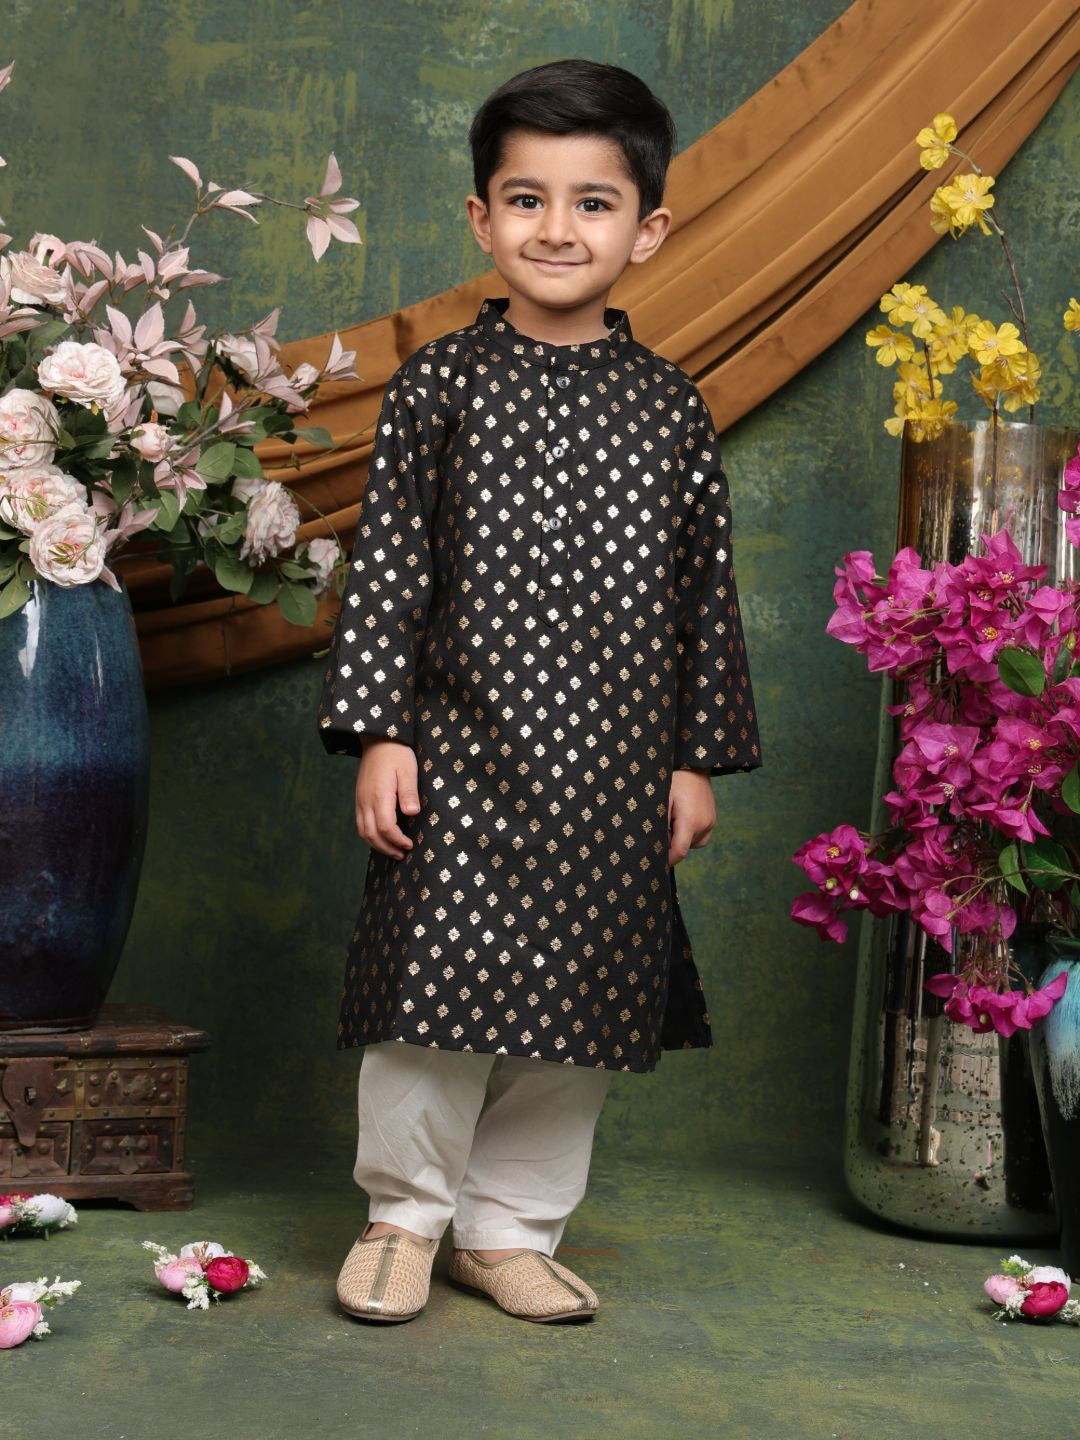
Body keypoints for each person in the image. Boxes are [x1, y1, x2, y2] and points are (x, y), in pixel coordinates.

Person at [317, 57, 761, 1326]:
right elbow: (391, 565)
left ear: (648, 227)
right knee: (432, 991)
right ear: (480, 219)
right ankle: (405, 1214)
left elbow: (701, 596)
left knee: (581, 1001)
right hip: (460, 753)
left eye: (592, 203)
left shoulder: (671, 410)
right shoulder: (440, 388)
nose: (556, 230)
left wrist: (691, 759)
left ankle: (507, 1228)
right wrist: (381, 733)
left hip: (615, 768)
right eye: (525, 198)